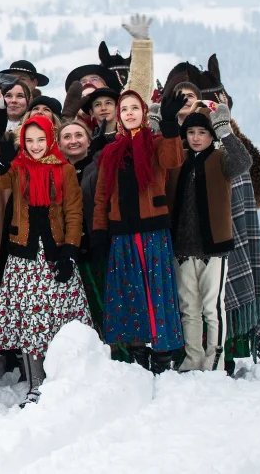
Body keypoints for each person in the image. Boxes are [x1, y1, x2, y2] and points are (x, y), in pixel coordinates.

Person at [0, 117, 93, 404]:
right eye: (29, 140)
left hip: (56, 256)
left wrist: (70, 251)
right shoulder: (16, 169)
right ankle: (35, 385)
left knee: (60, 319)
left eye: (40, 139)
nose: (35, 146)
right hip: (24, 259)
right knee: (31, 323)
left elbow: (74, 213)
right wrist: (3, 161)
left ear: (50, 138)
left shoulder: (65, 170)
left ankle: (66, 379)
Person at [91, 91, 186, 372]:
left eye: (135, 108)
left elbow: (173, 160)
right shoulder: (110, 152)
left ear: (144, 113)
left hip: (153, 231)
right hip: (122, 234)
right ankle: (136, 349)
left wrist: (169, 122)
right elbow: (101, 197)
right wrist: (99, 231)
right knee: (129, 291)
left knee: (156, 290)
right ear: (118, 116)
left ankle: (162, 350)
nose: (129, 113)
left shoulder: (156, 144)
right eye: (124, 109)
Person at [170, 102, 252, 371]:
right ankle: (192, 356)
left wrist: (225, 132)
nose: (196, 138)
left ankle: (214, 356)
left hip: (213, 247)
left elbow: (244, 162)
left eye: (202, 133)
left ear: (211, 136)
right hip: (182, 247)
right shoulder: (178, 159)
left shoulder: (221, 160)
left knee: (212, 307)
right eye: (191, 132)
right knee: (188, 306)